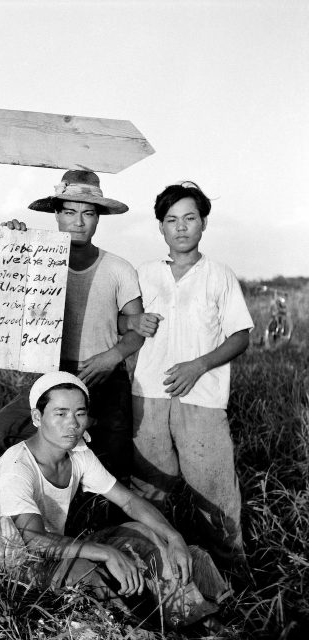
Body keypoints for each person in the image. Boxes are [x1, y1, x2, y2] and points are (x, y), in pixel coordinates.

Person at [0, 372, 228, 630]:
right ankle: (131, 630)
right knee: (85, 569)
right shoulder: (17, 466)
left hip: (58, 549)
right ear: (37, 417)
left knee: (141, 533)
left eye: (79, 413)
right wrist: (106, 553)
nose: (72, 424)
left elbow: (129, 502)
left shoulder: (78, 454)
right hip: (19, 569)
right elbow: (34, 541)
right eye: (60, 413)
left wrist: (174, 536)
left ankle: (193, 618)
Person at [0, 170, 144, 495]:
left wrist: (112, 356)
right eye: (70, 212)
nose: (79, 222)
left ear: (98, 218)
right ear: (57, 216)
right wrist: (9, 243)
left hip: (104, 377)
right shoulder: (38, 260)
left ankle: (113, 535)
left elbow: (137, 328)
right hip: (51, 375)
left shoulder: (119, 268)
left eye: (88, 213)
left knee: (114, 463)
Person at [124, 182, 253, 570]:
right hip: (148, 396)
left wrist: (199, 365)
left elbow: (241, 335)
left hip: (203, 399)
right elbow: (121, 321)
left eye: (189, 219)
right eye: (171, 220)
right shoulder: (144, 274)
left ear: (204, 223)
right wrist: (132, 319)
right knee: (147, 488)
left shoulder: (219, 275)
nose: (181, 227)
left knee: (214, 489)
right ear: (160, 227)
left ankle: (234, 578)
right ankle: (149, 572)